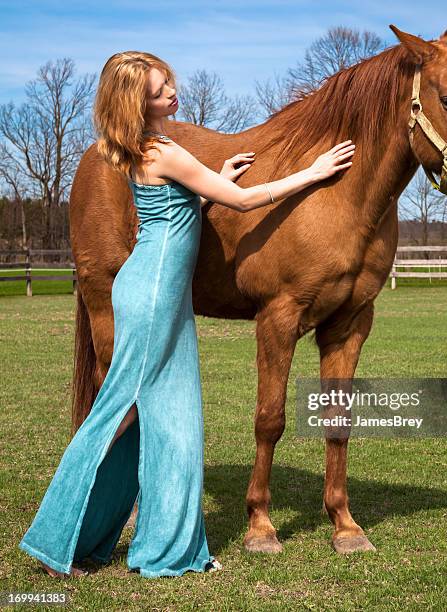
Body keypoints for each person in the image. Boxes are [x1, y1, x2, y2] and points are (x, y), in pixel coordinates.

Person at [18, 51, 356, 579]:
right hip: (153, 295)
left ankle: (162, 549)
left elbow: (172, 217)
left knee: (171, 423)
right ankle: (59, 535)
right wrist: (310, 173)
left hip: (158, 292)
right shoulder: (161, 152)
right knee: (121, 415)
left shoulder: (152, 150)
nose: (171, 92)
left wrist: (212, 176)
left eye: (167, 82)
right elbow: (246, 202)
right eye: (158, 91)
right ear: (137, 104)